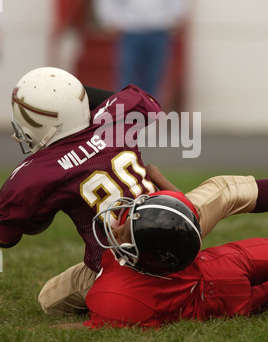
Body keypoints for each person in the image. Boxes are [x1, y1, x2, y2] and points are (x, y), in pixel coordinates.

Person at [0, 66, 161, 314]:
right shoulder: (116, 118)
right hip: (169, 232)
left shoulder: (36, 173)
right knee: (224, 190)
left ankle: (113, 293)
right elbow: (148, 102)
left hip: (119, 268)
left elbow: (7, 236)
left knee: (48, 300)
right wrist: (70, 95)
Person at [83, 232, 268, 329]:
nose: (119, 228)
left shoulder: (115, 296)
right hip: (221, 265)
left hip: (214, 306)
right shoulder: (177, 233)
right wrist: (158, 177)